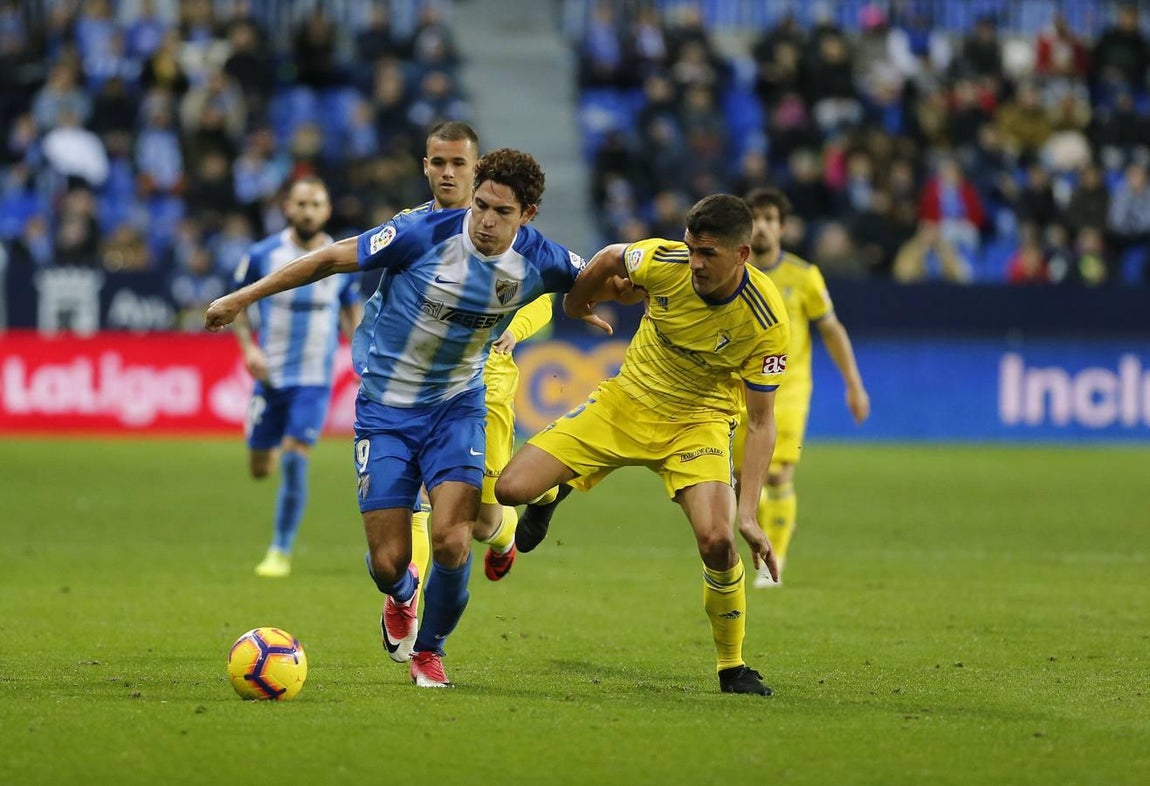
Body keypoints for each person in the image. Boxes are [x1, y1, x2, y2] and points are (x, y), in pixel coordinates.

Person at [206, 148, 612, 688]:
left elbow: (617, 271)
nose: (487, 222)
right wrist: (242, 297)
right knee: (388, 562)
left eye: (502, 213)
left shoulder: (543, 258)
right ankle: (400, 595)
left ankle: (431, 652)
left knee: (451, 538)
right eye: (482, 206)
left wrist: (584, 301)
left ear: (528, 214)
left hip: (457, 405)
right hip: (386, 412)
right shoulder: (422, 234)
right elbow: (329, 259)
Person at [496, 194, 789, 696]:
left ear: (741, 255)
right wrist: (576, 303)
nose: (695, 262)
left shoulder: (765, 321)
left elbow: (761, 424)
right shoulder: (665, 260)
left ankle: (732, 665)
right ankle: (550, 496)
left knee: (719, 541)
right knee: (509, 490)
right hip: (624, 402)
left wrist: (749, 512)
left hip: (698, 425)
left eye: (708, 254)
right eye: (692, 248)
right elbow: (611, 256)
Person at [399, 121, 555, 592]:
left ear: (475, 169)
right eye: (440, 163)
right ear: (426, 168)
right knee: (418, 496)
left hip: (486, 383)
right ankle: (405, 604)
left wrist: (514, 329)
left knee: (486, 521)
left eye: (459, 164)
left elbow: (544, 298)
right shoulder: (412, 225)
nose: (448, 174)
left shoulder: (500, 226)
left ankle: (543, 494)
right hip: (421, 385)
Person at [736, 188, 869, 588]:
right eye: (755, 217)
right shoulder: (733, 273)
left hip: (789, 389)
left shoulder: (803, 276)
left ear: (783, 226)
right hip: (740, 389)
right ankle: (754, 551)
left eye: (770, 218)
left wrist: (854, 384)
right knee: (744, 482)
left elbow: (832, 329)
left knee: (777, 475)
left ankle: (772, 564)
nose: (762, 225)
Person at [231, 176, 361, 578]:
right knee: (260, 467)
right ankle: (266, 451)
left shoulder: (341, 259)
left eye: (315, 204)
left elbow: (350, 311)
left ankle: (280, 551)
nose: (308, 211)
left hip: (313, 380)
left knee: (294, 458)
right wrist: (250, 350)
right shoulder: (263, 255)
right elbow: (236, 306)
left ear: (327, 211)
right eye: (301, 204)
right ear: (288, 208)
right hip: (270, 378)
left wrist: (360, 355)